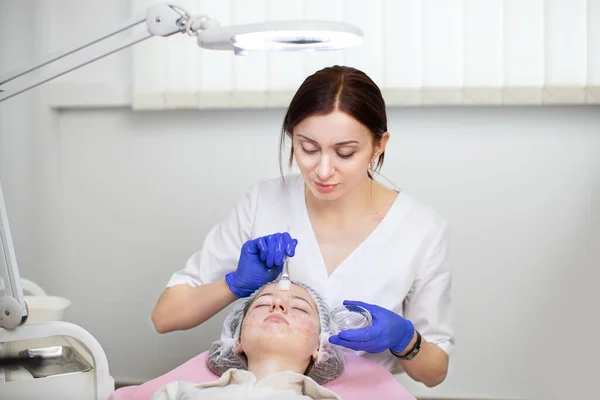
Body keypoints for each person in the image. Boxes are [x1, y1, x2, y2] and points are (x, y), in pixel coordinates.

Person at [151, 65, 454, 388]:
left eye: (345, 152)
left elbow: (434, 373)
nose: (323, 170)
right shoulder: (264, 201)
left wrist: (406, 340)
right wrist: (235, 284)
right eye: (308, 148)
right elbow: (165, 316)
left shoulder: (421, 229)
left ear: (379, 145)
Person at [150, 280, 344, 399]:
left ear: (320, 347)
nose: (277, 304)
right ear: (237, 340)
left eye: (300, 308)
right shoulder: (178, 394)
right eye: (262, 303)